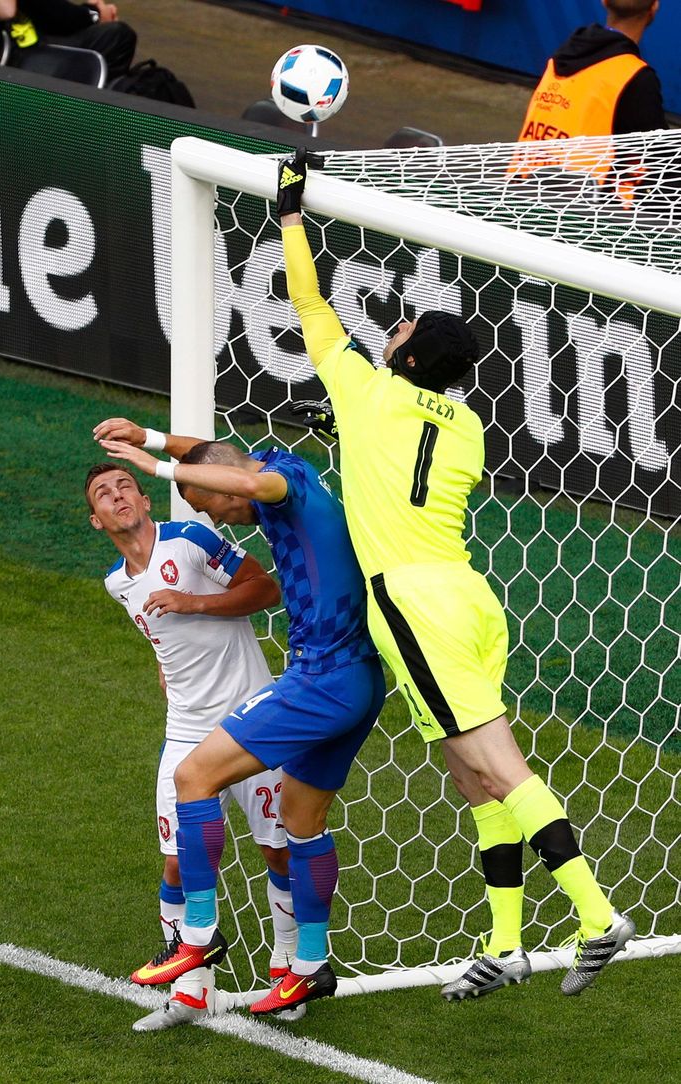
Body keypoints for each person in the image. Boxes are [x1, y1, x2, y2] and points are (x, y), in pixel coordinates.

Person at [274, 148, 636, 1001]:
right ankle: (507, 944)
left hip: (412, 601)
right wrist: (346, 419)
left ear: (403, 356)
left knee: (501, 768)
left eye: (396, 331)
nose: (386, 332)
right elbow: (406, 457)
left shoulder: (368, 392)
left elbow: (307, 300)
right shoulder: (466, 427)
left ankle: (595, 914)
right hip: (468, 598)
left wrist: (292, 215)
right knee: (472, 777)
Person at [93, 418, 385, 1017]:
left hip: (318, 678)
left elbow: (255, 551)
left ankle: (197, 941)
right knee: (303, 826)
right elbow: (220, 458)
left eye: (215, 507)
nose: (218, 519)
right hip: (355, 676)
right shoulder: (283, 465)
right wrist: (151, 439)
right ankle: (304, 969)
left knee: (197, 781)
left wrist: (162, 468)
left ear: (233, 491)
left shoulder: (277, 487)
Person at [85, 460, 303, 1030]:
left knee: (277, 849)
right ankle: (190, 988)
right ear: (96, 520)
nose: (118, 496)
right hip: (184, 731)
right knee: (178, 862)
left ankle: (289, 972)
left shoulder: (189, 539)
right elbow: (167, 640)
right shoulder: (116, 583)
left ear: (146, 500)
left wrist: (195, 603)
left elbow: (265, 587)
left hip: (254, 719)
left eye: (125, 485)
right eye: (104, 494)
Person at [518, 1, 664, 142]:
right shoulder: (637, 78)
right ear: (654, 7)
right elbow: (663, 156)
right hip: (581, 168)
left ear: (604, 2)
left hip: (522, 167)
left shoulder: (560, 58)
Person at [1, 0, 136, 81]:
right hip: (18, 61)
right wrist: (94, 14)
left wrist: (91, 13)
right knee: (117, 36)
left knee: (112, 34)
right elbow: (7, 9)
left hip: (25, 41)